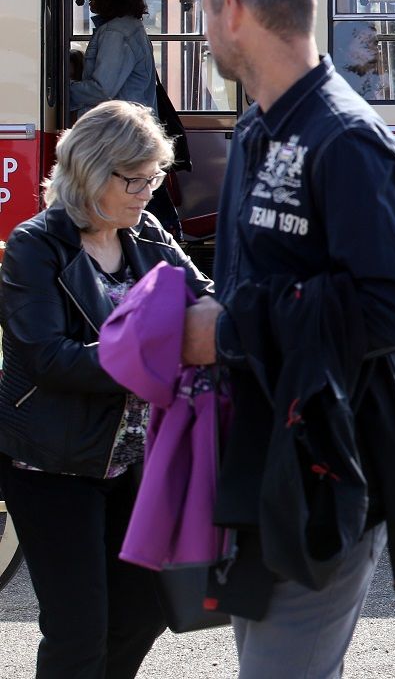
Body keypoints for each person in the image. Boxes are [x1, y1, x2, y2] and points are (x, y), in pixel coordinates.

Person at [179, 0, 395, 677]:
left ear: (233, 11)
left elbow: (391, 308)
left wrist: (230, 331)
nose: (203, 31)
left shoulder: (346, 139)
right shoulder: (262, 124)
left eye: (203, 12)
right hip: (260, 460)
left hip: (322, 470)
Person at [0, 100, 213, 679]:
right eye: (136, 179)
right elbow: (50, 361)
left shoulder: (145, 231)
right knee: (78, 632)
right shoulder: (34, 246)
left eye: (156, 177)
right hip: (52, 468)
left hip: (133, 465)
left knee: (141, 613)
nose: (149, 191)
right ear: (92, 171)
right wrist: (157, 355)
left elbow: (205, 302)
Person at [70, 0, 181, 236]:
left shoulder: (116, 33)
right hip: (132, 137)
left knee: (142, 217)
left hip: (123, 140)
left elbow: (101, 90)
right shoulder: (126, 28)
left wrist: (60, 92)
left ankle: (167, 269)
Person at [70, 0, 157, 118]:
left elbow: (101, 90)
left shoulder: (116, 33)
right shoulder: (130, 26)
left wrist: (63, 91)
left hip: (118, 133)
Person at [332, 21, 386, 100]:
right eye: (365, 45)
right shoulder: (337, 88)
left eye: (375, 44)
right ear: (343, 50)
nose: (374, 51)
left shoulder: (371, 85)